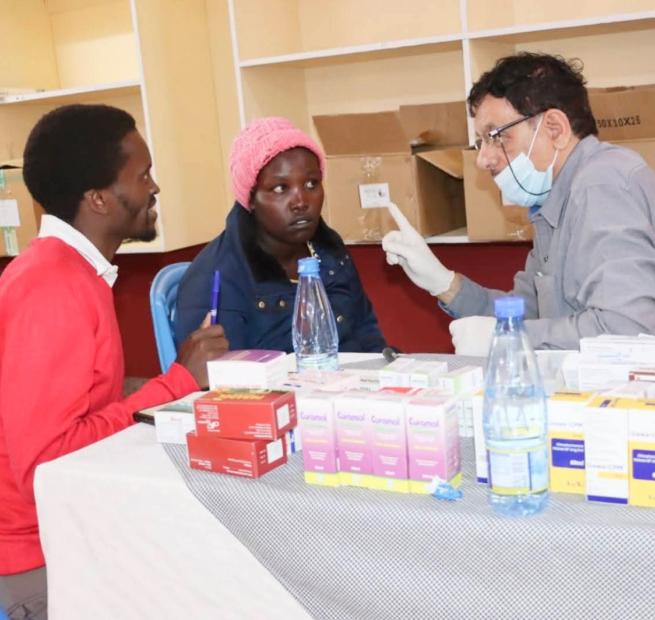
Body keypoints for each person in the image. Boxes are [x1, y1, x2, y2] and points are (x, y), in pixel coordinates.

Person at [0, 104, 228, 618]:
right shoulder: (51, 288)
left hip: (68, 527)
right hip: (36, 556)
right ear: (98, 198)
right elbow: (45, 461)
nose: (155, 188)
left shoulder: (74, 273)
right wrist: (176, 385)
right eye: (142, 174)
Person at [382, 53, 655, 353]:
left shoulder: (601, 184)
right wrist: (444, 283)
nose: (483, 159)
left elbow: (626, 331)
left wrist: (510, 338)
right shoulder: (555, 198)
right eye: (480, 142)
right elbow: (527, 312)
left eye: (496, 136)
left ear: (554, 128)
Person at [174, 117, 386, 353]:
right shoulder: (216, 275)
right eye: (280, 188)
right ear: (250, 198)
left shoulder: (330, 248)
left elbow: (367, 332)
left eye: (311, 184)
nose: (301, 202)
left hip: (352, 383)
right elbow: (223, 380)